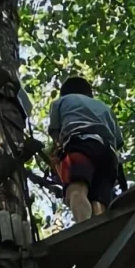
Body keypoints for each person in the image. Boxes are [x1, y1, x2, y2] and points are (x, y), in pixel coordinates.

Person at [47, 75, 124, 225]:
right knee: (98, 199)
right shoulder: (105, 108)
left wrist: (55, 160)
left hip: (81, 144)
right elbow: (118, 141)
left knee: (76, 189)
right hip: (109, 154)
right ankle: (99, 231)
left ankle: (84, 228)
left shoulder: (61, 102)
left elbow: (56, 136)